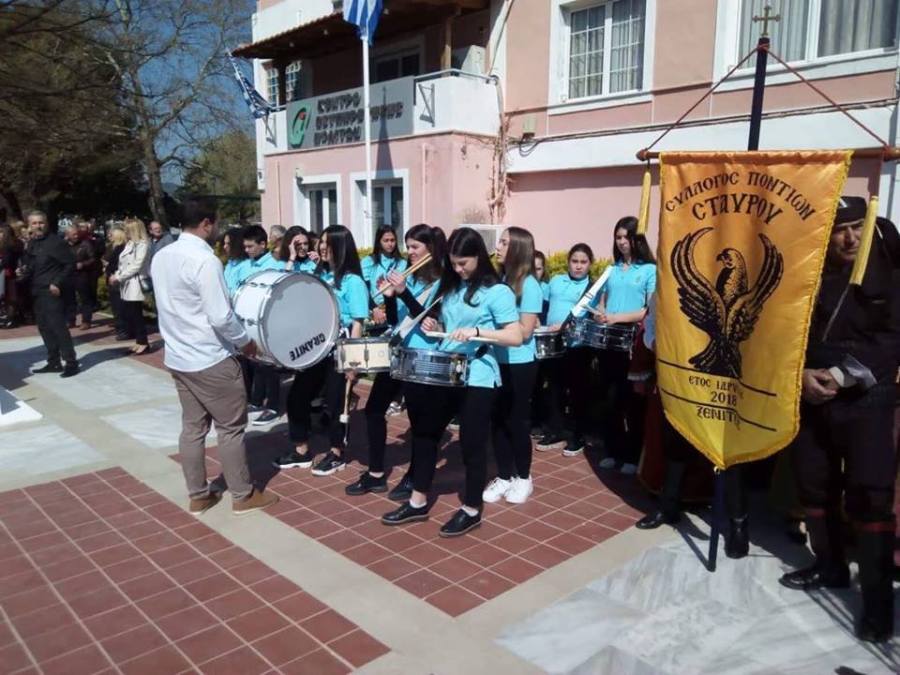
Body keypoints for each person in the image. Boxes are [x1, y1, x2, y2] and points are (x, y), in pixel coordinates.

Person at [778, 197, 900, 643]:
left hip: (869, 401)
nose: (848, 238)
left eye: (856, 228)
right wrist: (801, 375)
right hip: (814, 397)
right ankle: (829, 566)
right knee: (814, 485)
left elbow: (891, 342)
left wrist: (839, 375)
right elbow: (788, 334)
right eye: (839, 229)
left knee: (871, 496)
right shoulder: (812, 277)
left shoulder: (892, 275)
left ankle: (877, 603)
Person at [381, 227, 523, 537]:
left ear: (478, 257)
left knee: (472, 444)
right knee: (425, 433)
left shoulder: (496, 291)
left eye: (463, 263)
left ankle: (471, 509)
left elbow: (515, 335)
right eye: (453, 263)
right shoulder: (450, 286)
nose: (457, 269)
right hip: (447, 371)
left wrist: (478, 333)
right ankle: (417, 502)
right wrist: (435, 323)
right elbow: (443, 322)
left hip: (479, 375)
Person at [151, 197, 278, 516]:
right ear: (206, 223)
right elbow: (221, 316)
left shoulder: (162, 255)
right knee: (230, 428)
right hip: (210, 358)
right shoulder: (205, 261)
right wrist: (245, 342)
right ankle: (243, 495)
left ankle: (198, 494)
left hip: (179, 357)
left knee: (192, 428)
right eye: (216, 222)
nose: (219, 228)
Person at [345, 223, 445, 499]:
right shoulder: (408, 275)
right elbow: (394, 319)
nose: (409, 252)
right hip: (398, 349)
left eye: (415, 247)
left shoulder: (441, 280)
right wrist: (389, 298)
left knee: (419, 422)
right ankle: (376, 473)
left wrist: (402, 292)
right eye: (408, 246)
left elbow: (427, 317)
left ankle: (415, 476)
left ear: (430, 248)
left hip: (421, 354)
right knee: (373, 410)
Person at [276, 225, 369, 476]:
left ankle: (337, 453)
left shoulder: (352, 281)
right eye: (322, 242)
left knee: (336, 403)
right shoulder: (319, 273)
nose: (322, 247)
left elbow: (358, 322)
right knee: (297, 397)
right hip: (316, 350)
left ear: (341, 247)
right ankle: (301, 450)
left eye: (328, 243)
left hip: (339, 350)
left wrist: (352, 362)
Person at [483, 227, 542, 505]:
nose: (498, 246)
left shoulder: (529, 285)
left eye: (505, 242)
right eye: (500, 241)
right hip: (497, 360)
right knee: (497, 420)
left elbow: (526, 331)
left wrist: (487, 332)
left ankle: (524, 477)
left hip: (520, 363)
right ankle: (504, 476)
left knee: (517, 421)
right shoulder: (499, 280)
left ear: (518, 248)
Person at [593, 216, 656, 474]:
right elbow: (602, 301)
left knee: (633, 401)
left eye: (626, 237)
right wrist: (600, 313)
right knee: (610, 400)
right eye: (618, 237)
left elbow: (648, 310)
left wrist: (616, 318)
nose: (621, 242)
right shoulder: (612, 270)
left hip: (633, 342)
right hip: (608, 341)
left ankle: (632, 456)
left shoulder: (649, 270)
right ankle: (613, 450)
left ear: (637, 239)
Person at [536, 243, 594, 456]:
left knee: (578, 391)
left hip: (578, 346)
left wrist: (566, 326)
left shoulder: (592, 287)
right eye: (574, 261)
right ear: (568, 262)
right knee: (553, 389)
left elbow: (593, 315)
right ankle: (555, 431)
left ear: (589, 264)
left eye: (583, 262)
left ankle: (578, 436)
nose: (578, 266)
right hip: (553, 344)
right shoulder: (556, 281)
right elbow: (542, 305)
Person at [19, 210, 78, 377]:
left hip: (51, 291)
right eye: (34, 223)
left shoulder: (56, 242)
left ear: (47, 224)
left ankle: (71, 362)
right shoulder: (32, 243)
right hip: (36, 290)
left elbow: (70, 264)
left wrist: (57, 282)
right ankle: (54, 361)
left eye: (41, 222)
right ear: (29, 225)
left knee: (58, 327)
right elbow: (31, 265)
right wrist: (23, 271)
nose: (38, 226)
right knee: (44, 327)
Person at [110, 218, 150, 355]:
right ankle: (139, 341)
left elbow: (136, 265)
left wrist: (119, 277)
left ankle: (143, 342)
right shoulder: (130, 243)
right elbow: (122, 264)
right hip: (127, 282)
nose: (125, 232)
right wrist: (117, 274)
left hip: (135, 282)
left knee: (136, 313)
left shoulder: (142, 244)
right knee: (131, 313)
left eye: (127, 229)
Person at [362, 225, 408, 325]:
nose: (390, 244)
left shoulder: (403, 263)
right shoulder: (368, 262)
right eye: (386, 241)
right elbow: (364, 289)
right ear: (379, 242)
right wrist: (374, 308)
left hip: (398, 312)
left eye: (392, 240)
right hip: (376, 313)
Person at [64, 225, 97, 329]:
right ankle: (70, 320)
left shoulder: (85, 244)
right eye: (73, 234)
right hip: (68, 274)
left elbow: (93, 258)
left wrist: (83, 264)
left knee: (85, 298)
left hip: (82, 274)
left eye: (77, 234)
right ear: (67, 235)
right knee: (69, 298)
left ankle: (86, 321)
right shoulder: (63, 245)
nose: (76, 236)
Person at [104, 227, 129, 340]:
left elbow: (118, 264)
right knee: (116, 306)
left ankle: (123, 330)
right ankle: (120, 327)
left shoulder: (121, 248)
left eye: (111, 234)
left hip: (117, 279)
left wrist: (109, 266)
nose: (109, 236)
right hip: (111, 279)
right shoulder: (112, 247)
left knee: (120, 307)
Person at [0, 224, 22, 328]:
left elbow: (7, 261)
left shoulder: (10, 245)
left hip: (9, 274)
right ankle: (7, 317)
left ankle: (10, 318)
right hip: (5, 273)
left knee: (10, 297)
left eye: (1, 232)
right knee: (8, 297)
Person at [221, 228, 249, 296]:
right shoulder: (229, 265)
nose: (225, 247)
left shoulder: (247, 267)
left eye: (228, 244)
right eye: (224, 243)